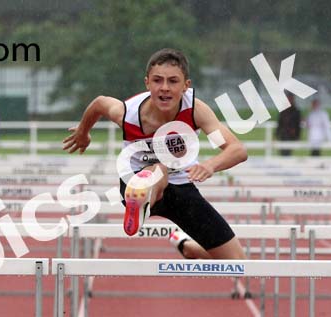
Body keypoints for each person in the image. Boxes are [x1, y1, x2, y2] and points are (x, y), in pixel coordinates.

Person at [62, 48, 248, 260]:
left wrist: (210, 165)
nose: (164, 88)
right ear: (147, 83)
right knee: (159, 167)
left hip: (182, 187)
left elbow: (236, 150)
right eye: (157, 81)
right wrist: (83, 132)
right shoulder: (128, 114)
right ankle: (141, 201)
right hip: (135, 180)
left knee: (237, 262)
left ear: (186, 86)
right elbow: (100, 103)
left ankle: (189, 248)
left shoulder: (195, 111)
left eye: (173, 81)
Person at [276, 92, 301, 156]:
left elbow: (298, 125)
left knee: (288, 152)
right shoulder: (283, 110)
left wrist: (297, 136)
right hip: (283, 134)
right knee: (283, 151)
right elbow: (280, 122)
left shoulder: (296, 111)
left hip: (291, 135)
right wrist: (276, 134)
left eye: (290, 98)